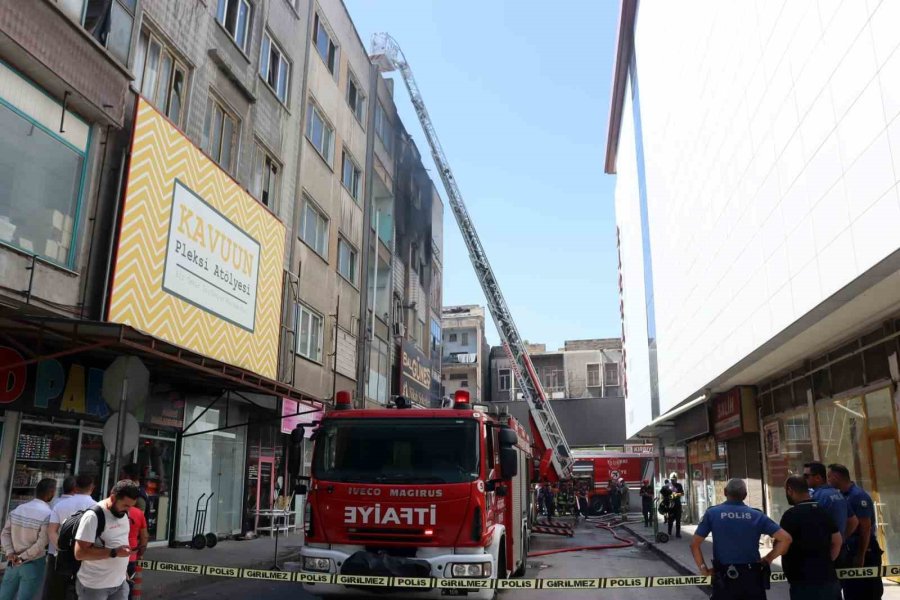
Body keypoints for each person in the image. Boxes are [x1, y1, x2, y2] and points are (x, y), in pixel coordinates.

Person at [690, 478, 792, 600]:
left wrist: (704, 570)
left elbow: (694, 544)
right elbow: (786, 539)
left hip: (724, 576)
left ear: (725, 492)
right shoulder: (757, 515)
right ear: (745, 495)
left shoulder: (713, 513)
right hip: (752, 577)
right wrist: (768, 559)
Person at [74, 480, 141, 600]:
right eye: (125, 505)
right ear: (113, 497)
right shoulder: (93, 516)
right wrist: (114, 552)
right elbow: (80, 553)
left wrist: (123, 573)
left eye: (131, 506)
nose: (128, 510)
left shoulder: (123, 514)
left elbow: (119, 543)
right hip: (94, 587)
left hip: (120, 583)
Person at [779, 475, 842, 600]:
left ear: (790, 490)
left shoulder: (790, 516)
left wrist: (769, 558)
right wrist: (826, 561)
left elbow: (782, 545)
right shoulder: (823, 512)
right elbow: (837, 541)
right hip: (828, 579)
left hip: (803, 583)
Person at [828, 463, 884, 600]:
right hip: (850, 551)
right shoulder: (841, 495)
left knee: (868, 592)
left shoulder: (857, 496)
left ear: (836, 477)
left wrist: (861, 555)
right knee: (852, 591)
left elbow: (865, 528)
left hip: (865, 550)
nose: (827, 480)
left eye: (829, 476)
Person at [0, 478, 56, 600]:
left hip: (12, 561)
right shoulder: (48, 514)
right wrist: (22, 557)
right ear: (51, 493)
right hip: (33, 563)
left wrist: (10, 553)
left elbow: (5, 534)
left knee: (4, 596)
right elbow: (41, 543)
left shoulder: (19, 509)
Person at [46, 474, 96, 600]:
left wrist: (62, 547)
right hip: (85, 557)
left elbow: (51, 530)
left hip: (59, 557)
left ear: (76, 487)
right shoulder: (98, 508)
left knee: (56, 592)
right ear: (92, 487)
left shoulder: (60, 505)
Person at [803, 462, 858, 553]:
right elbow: (853, 521)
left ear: (818, 478)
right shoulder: (838, 493)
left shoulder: (818, 496)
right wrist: (842, 538)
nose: (804, 479)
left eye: (806, 476)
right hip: (841, 548)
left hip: (827, 549)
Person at [126, 502, 148, 599]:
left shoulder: (110, 510)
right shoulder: (138, 513)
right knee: (128, 587)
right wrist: (140, 553)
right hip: (131, 556)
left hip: (112, 556)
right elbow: (144, 537)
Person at [668, 473, 685, 538]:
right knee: (670, 520)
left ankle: (678, 533)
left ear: (676, 479)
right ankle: (669, 533)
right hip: (671, 506)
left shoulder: (679, 485)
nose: (673, 481)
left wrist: (676, 494)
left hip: (678, 505)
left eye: (674, 479)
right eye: (672, 479)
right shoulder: (668, 486)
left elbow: (682, 493)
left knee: (678, 520)